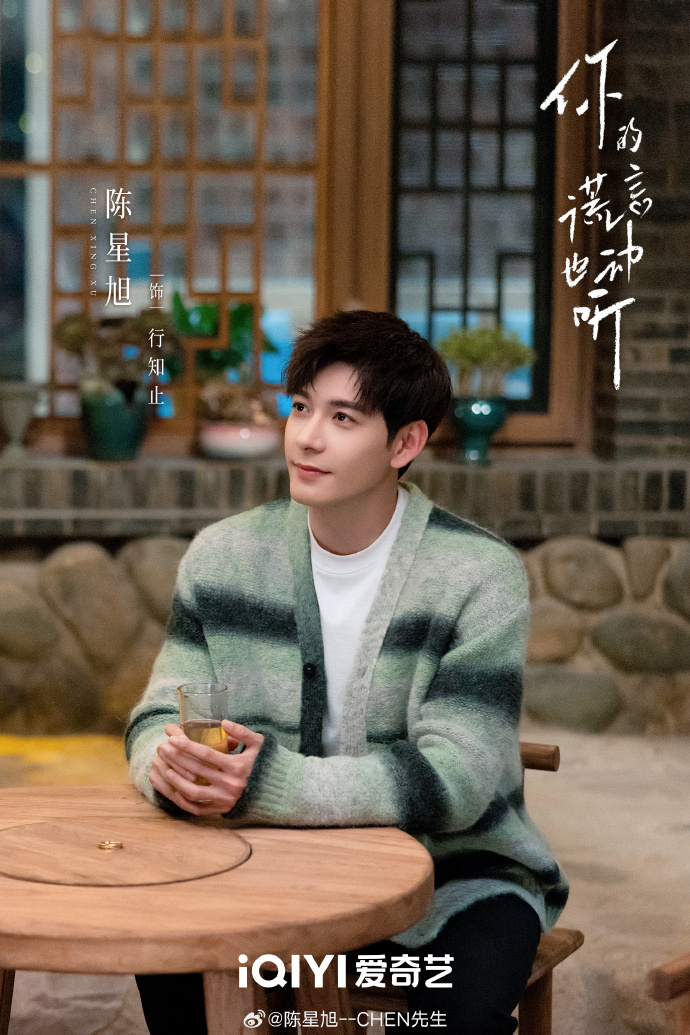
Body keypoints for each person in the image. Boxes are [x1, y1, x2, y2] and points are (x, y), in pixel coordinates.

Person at [125, 310, 569, 1035]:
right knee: (174, 955)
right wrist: (169, 767)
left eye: (342, 417)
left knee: (455, 1015)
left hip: (451, 880)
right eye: (301, 407)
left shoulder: (477, 575)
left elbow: (458, 777)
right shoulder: (222, 559)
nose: (307, 436)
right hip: (271, 867)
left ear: (405, 442)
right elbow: (157, 716)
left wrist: (267, 784)